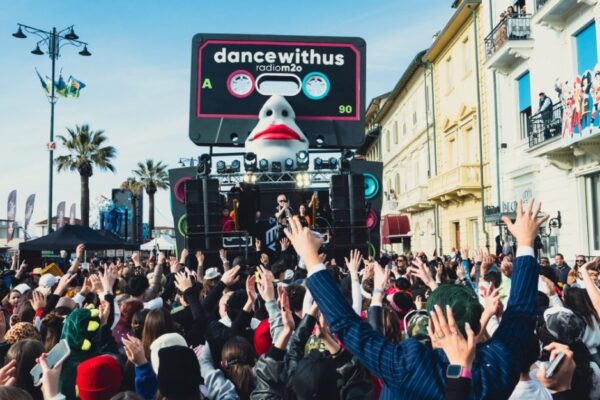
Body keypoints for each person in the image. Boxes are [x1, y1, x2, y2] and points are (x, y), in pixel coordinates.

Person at [284, 199, 549, 399]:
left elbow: (346, 324)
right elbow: (521, 314)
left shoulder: (409, 365)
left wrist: (310, 259)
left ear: (432, 325)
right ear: (478, 323)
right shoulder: (499, 363)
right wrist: (526, 243)